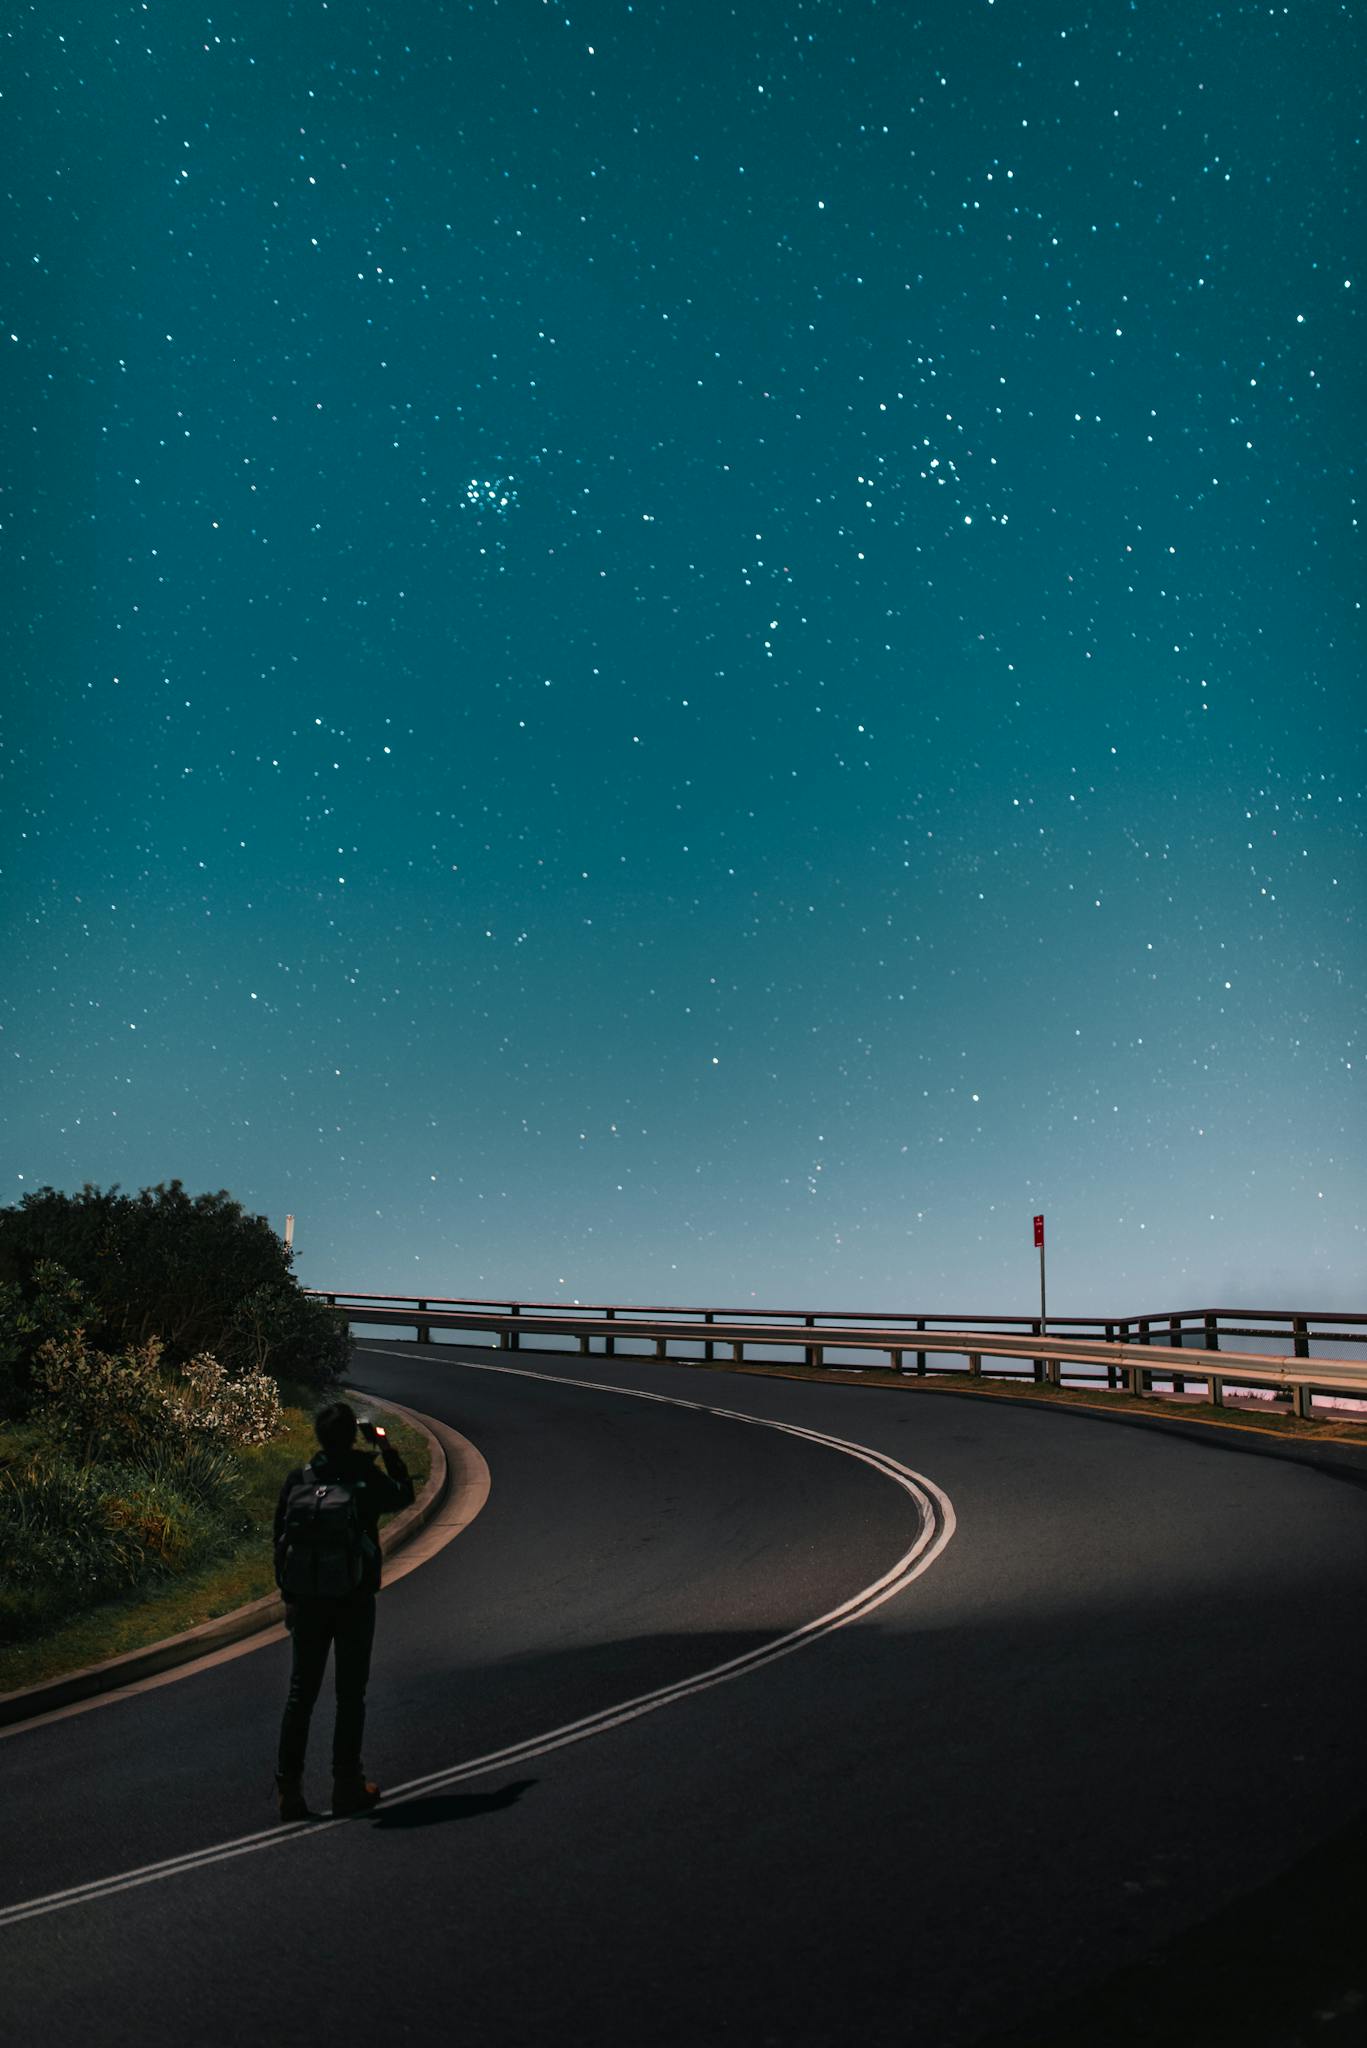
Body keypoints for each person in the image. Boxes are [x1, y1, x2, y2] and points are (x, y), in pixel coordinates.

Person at [273, 1399, 415, 1821]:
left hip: (308, 1603)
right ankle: (346, 1784)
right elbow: (404, 1493)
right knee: (350, 1694)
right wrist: (387, 1448)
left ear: (318, 1437)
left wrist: (291, 1597)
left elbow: (280, 1542)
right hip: (353, 1600)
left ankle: (289, 1789)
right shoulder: (363, 1478)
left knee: (301, 1695)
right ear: (354, 1435)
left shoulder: (299, 1479)